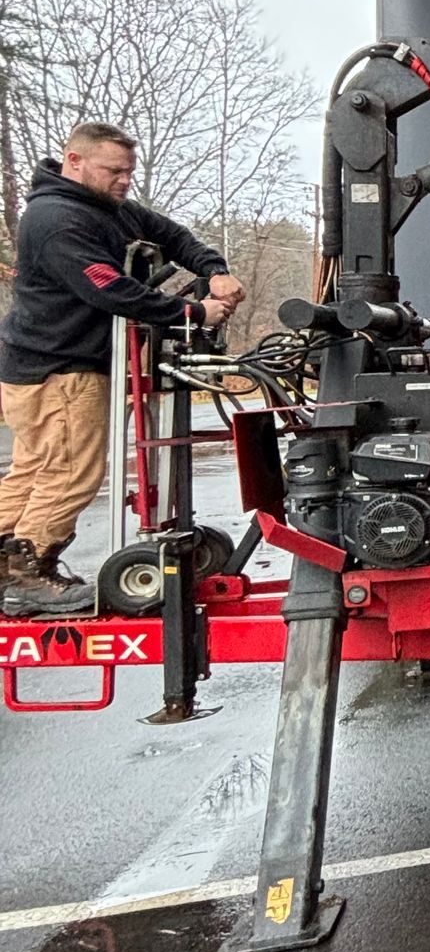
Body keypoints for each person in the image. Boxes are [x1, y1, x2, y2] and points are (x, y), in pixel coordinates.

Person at [0, 122, 243, 616]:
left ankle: (8, 561)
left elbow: (168, 234)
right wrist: (192, 313)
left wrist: (213, 269)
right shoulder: (56, 219)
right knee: (70, 474)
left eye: (128, 172)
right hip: (62, 369)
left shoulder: (103, 209)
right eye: (113, 171)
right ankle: (29, 574)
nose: (123, 181)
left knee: (32, 472)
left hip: (41, 366)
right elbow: (107, 288)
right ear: (74, 161)